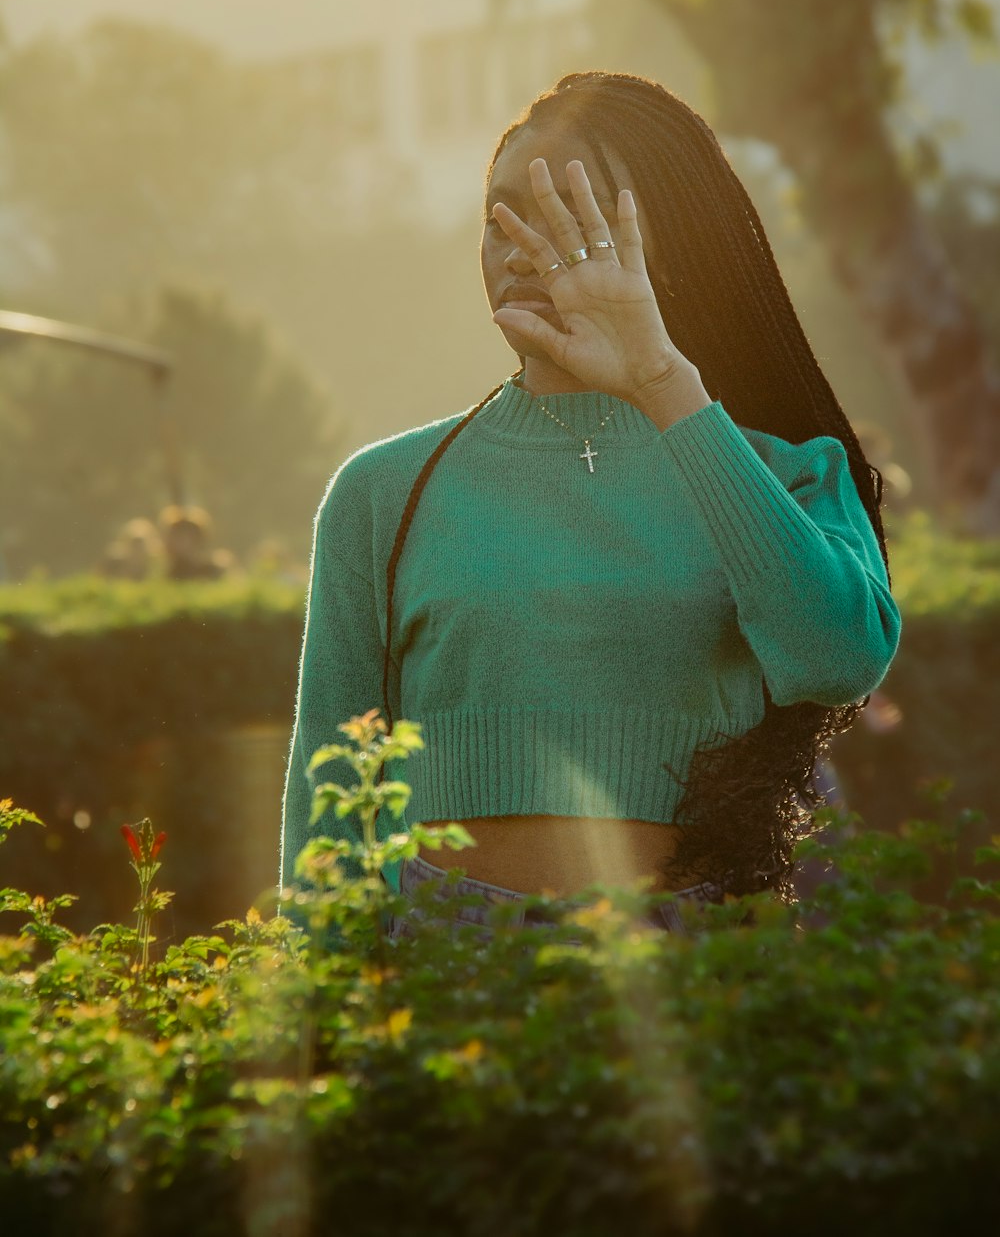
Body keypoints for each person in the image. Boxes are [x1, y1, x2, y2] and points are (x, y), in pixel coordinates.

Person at [279, 70, 903, 947]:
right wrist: (317, 1023)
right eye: (500, 211)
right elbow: (327, 795)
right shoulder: (382, 491)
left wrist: (659, 379)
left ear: (668, 241)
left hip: (691, 952)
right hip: (444, 960)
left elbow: (836, 658)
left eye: (570, 213)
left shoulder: (783, 473)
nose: (521, 243)